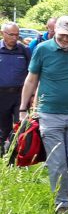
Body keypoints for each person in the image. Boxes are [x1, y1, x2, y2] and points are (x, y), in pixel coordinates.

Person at [18, 15, 68, 214]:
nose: (65, 39)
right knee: (57, 162)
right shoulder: (42, 49)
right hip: (49, 114)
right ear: (56, 30)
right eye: (62, 35)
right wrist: (23, 108)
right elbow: (31, 79)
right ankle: (61, 203)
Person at [0, 22, 31, 155]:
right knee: (3, 127)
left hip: (20, 94)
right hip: (2, 95)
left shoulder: (24, 50)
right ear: (3, 33)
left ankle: (15, 154)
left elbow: (32, 72)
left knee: (21, 125)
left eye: (17, 35)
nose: (14, 38)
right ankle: (3, 154)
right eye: (11, 35)